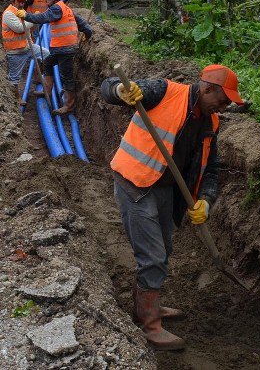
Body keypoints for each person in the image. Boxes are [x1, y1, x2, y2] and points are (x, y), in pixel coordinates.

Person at [100, 64, 245, 351]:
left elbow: (211, 169)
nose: (226, 105)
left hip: (167, 190)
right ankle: (150, 325)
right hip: (136, 184)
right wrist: (120, 90)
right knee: (152, 256)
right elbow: (108, 86)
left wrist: (206, 199)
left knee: (163, 250)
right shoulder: (165, 92)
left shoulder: (210, 122)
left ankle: (146, 305)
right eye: (223, 98)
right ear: (207, 88)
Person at [16, 0, 92, 114]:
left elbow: (43, 18)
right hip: (61, 48)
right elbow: (80, 22)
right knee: (47, 62)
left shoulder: (57, 8)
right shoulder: (65, 8)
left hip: (65, 48)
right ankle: (48, 90)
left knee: (66, 76)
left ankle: (69, 105)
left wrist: (27, 15)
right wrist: (87, 31)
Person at [1, 0, 49, 106]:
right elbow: (19, 28)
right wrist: (34, 19)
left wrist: (31, 17)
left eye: (23, 2)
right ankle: (17, 98)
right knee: (14, 77)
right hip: (15, 51)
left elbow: (27, 25)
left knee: (46, 54)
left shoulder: (21, 12)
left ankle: (38, 77)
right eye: (19, 1)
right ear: (14, 1)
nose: (21, 4)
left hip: (27, 47)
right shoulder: (8, 13)